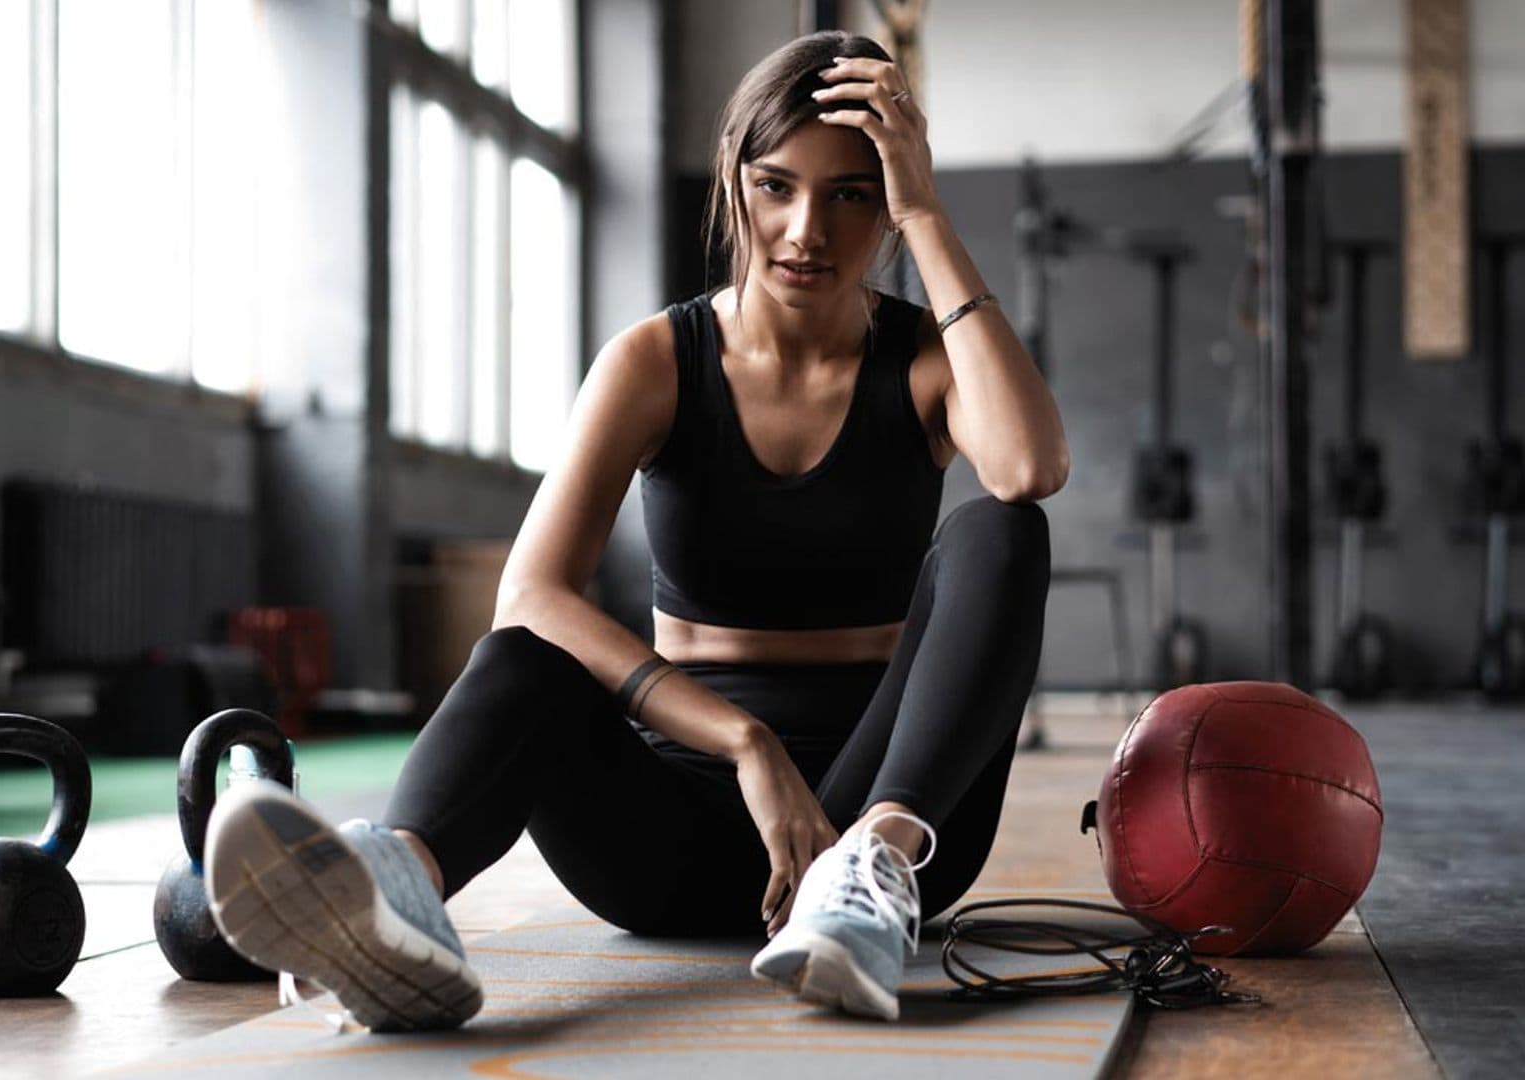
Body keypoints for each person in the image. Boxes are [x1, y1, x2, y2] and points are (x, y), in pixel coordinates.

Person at [201, 30, 1068, 1030]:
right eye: (775, 187)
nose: (805, 232)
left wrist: (926, 211)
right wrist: (747, 744)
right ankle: (395, 895)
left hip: (887, 835)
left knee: (1002, 533)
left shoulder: (921, 360)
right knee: (525, 650)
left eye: (851, 196)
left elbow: (1028, 467)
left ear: (887, 205)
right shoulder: (658, 359)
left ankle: (872, 869)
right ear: (735, 182)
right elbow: (530, 592)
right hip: (667, 838)